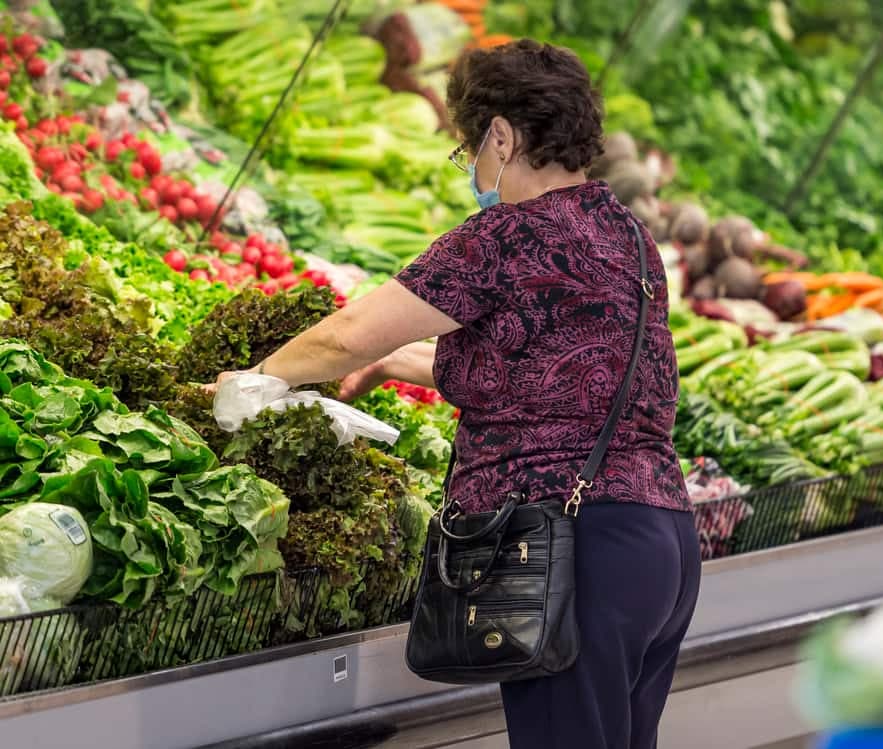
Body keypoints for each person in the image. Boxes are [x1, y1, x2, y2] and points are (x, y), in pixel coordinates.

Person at [213, 39, 701, 748]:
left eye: (469, 147)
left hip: (572, 550)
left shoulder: (503, 238)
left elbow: (350, 333)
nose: (472, 166)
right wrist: (398, 368)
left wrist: (255, 379)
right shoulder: (628, 236)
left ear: (501, 135)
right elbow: (550, 370)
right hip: (660, 544)